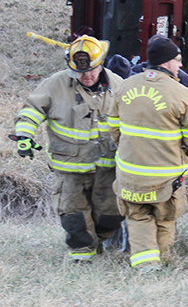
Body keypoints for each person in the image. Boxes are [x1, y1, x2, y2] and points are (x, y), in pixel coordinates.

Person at [11, 35, 124, 263]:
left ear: (101, 63)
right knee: (73, 215)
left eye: (92, 70)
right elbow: (31, 110)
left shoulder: (118, 84)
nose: (87, 76)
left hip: (108, 165)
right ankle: (82, 255)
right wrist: (24, 135)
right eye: (80, 73)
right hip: (69, 166)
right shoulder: (55, 84)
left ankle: (98, 241)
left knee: (111, 214)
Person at [108, 36, 188, 273]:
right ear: (166, 62)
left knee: (138, 216)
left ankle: (146, 264)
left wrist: (126, 148)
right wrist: (186, 158)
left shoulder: (125, 86)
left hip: (130, 173)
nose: (180, 66)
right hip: (166, 176)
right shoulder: (180, 92)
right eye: (177, 60)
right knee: (164, 216)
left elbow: (112, 126)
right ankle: (162, 259)